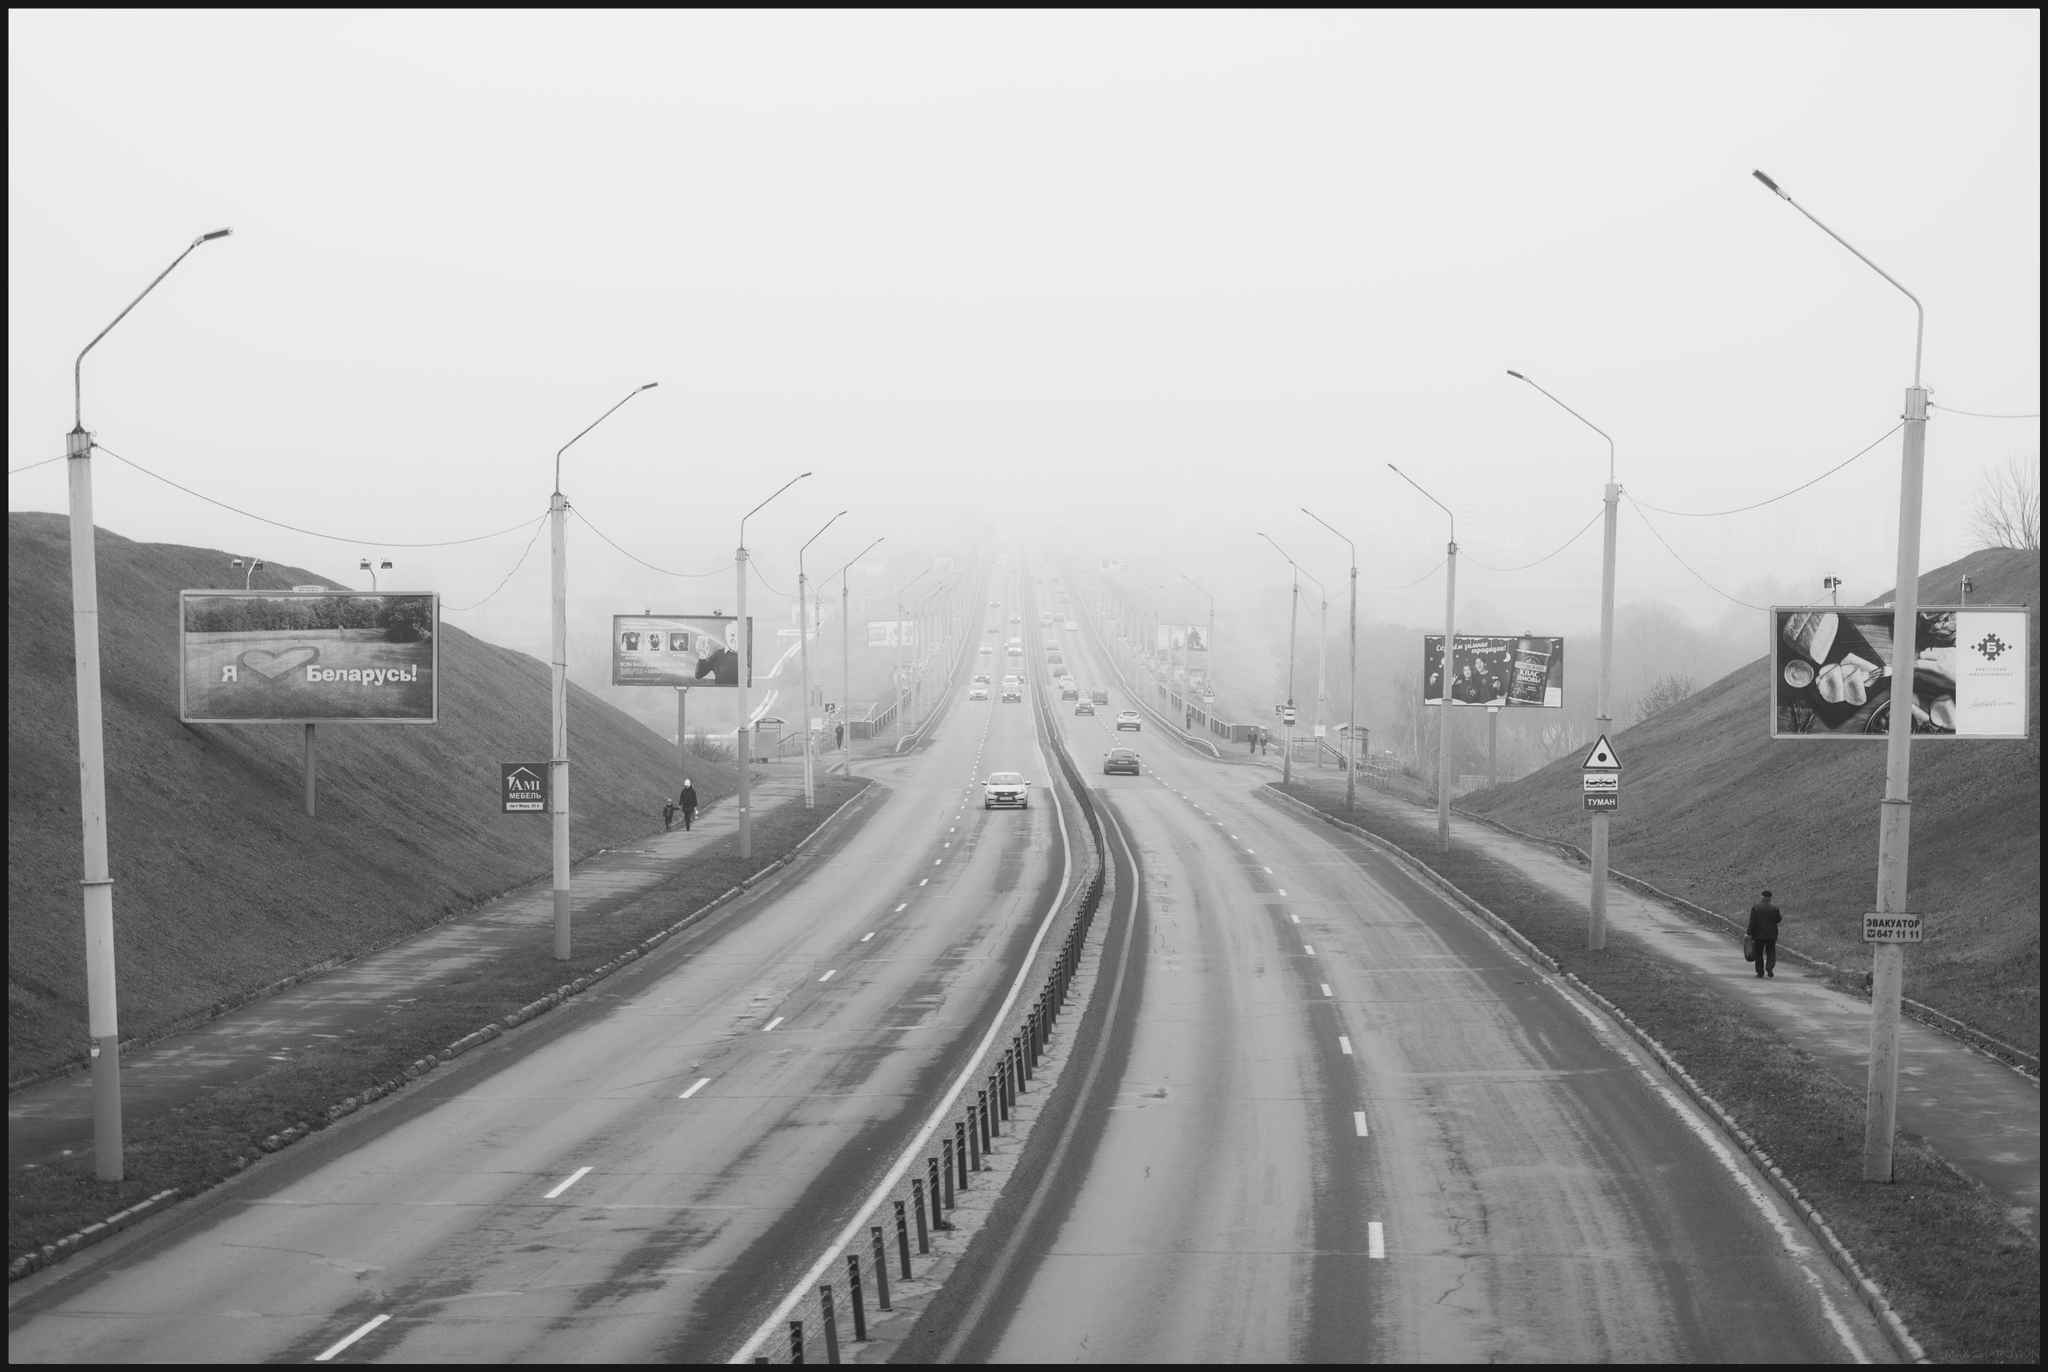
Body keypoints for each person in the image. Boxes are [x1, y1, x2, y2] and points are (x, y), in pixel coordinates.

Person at [1746, 889, 1782, 978]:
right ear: (1770, 899)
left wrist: (1748, 933)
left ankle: (1760, 972)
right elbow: (1778, 920)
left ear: (1762, 897)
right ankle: (1769, 966)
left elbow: (1752, 922)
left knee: (1758, 952)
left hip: (1758, 934)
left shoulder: (1755, 907)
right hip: (1771, 934)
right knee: (1771, 951)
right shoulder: (1774, 908)